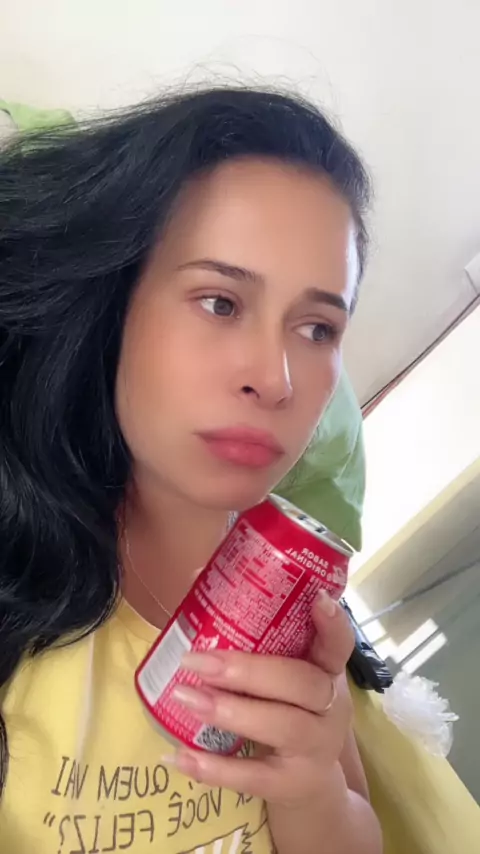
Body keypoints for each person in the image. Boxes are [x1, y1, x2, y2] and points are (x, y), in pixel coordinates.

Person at [0, 86, 382, 854]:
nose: (275, 377)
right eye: (220, 302)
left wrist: (312, 791)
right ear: (119, 302)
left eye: (316, 328)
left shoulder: (290, 592)